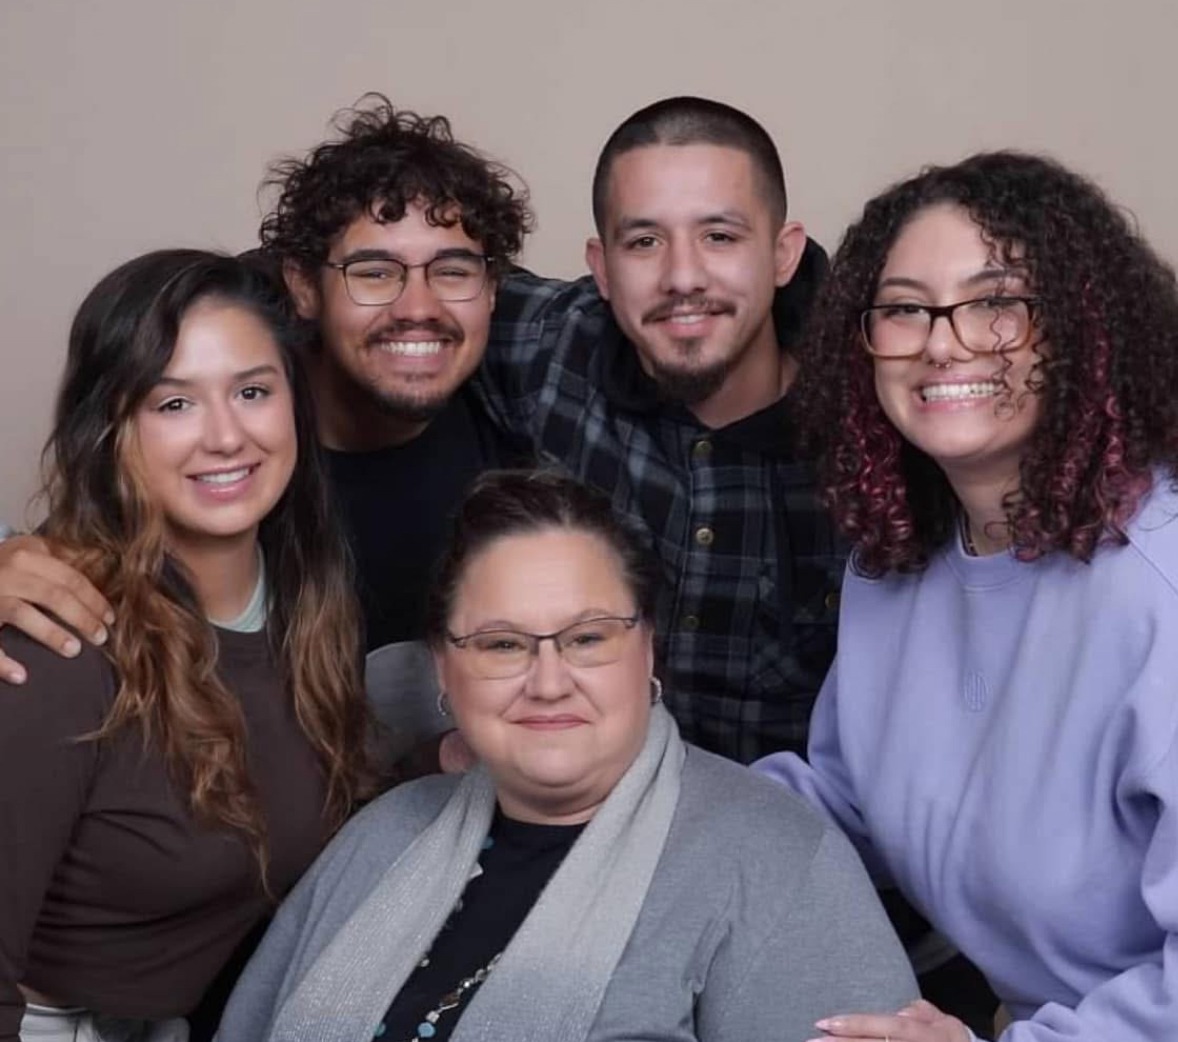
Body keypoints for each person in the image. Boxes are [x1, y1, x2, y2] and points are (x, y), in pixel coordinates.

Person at [214, 469, 916, 1042]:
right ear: (443, 671)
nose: (548, 682)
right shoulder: (381, 837)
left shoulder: (780, 863)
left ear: (648, 649)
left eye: (588, 638)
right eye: (501, 644)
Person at [755, 152, 1178, 1042]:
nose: (943, 341)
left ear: (1082, 332)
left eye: (996, 303)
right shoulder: (893, 564)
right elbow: (848, 799)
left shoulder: (1160, 588)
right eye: (905, 308)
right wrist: (615, 781)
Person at [0, 250, 370, 1042]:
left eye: (252, 391)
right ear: (109, 429)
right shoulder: (56, 644)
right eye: (173, 404)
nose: (226, 436)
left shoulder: (307, 607)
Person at [477, 96, 840, 766]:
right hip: (577, 809)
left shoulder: (876, 418)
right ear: (603, 267)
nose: (682, 278)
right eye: (644, 241)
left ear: (784, 253)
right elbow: (386, 297)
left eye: (720, 237)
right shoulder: (553, 346)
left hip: (784, 835)